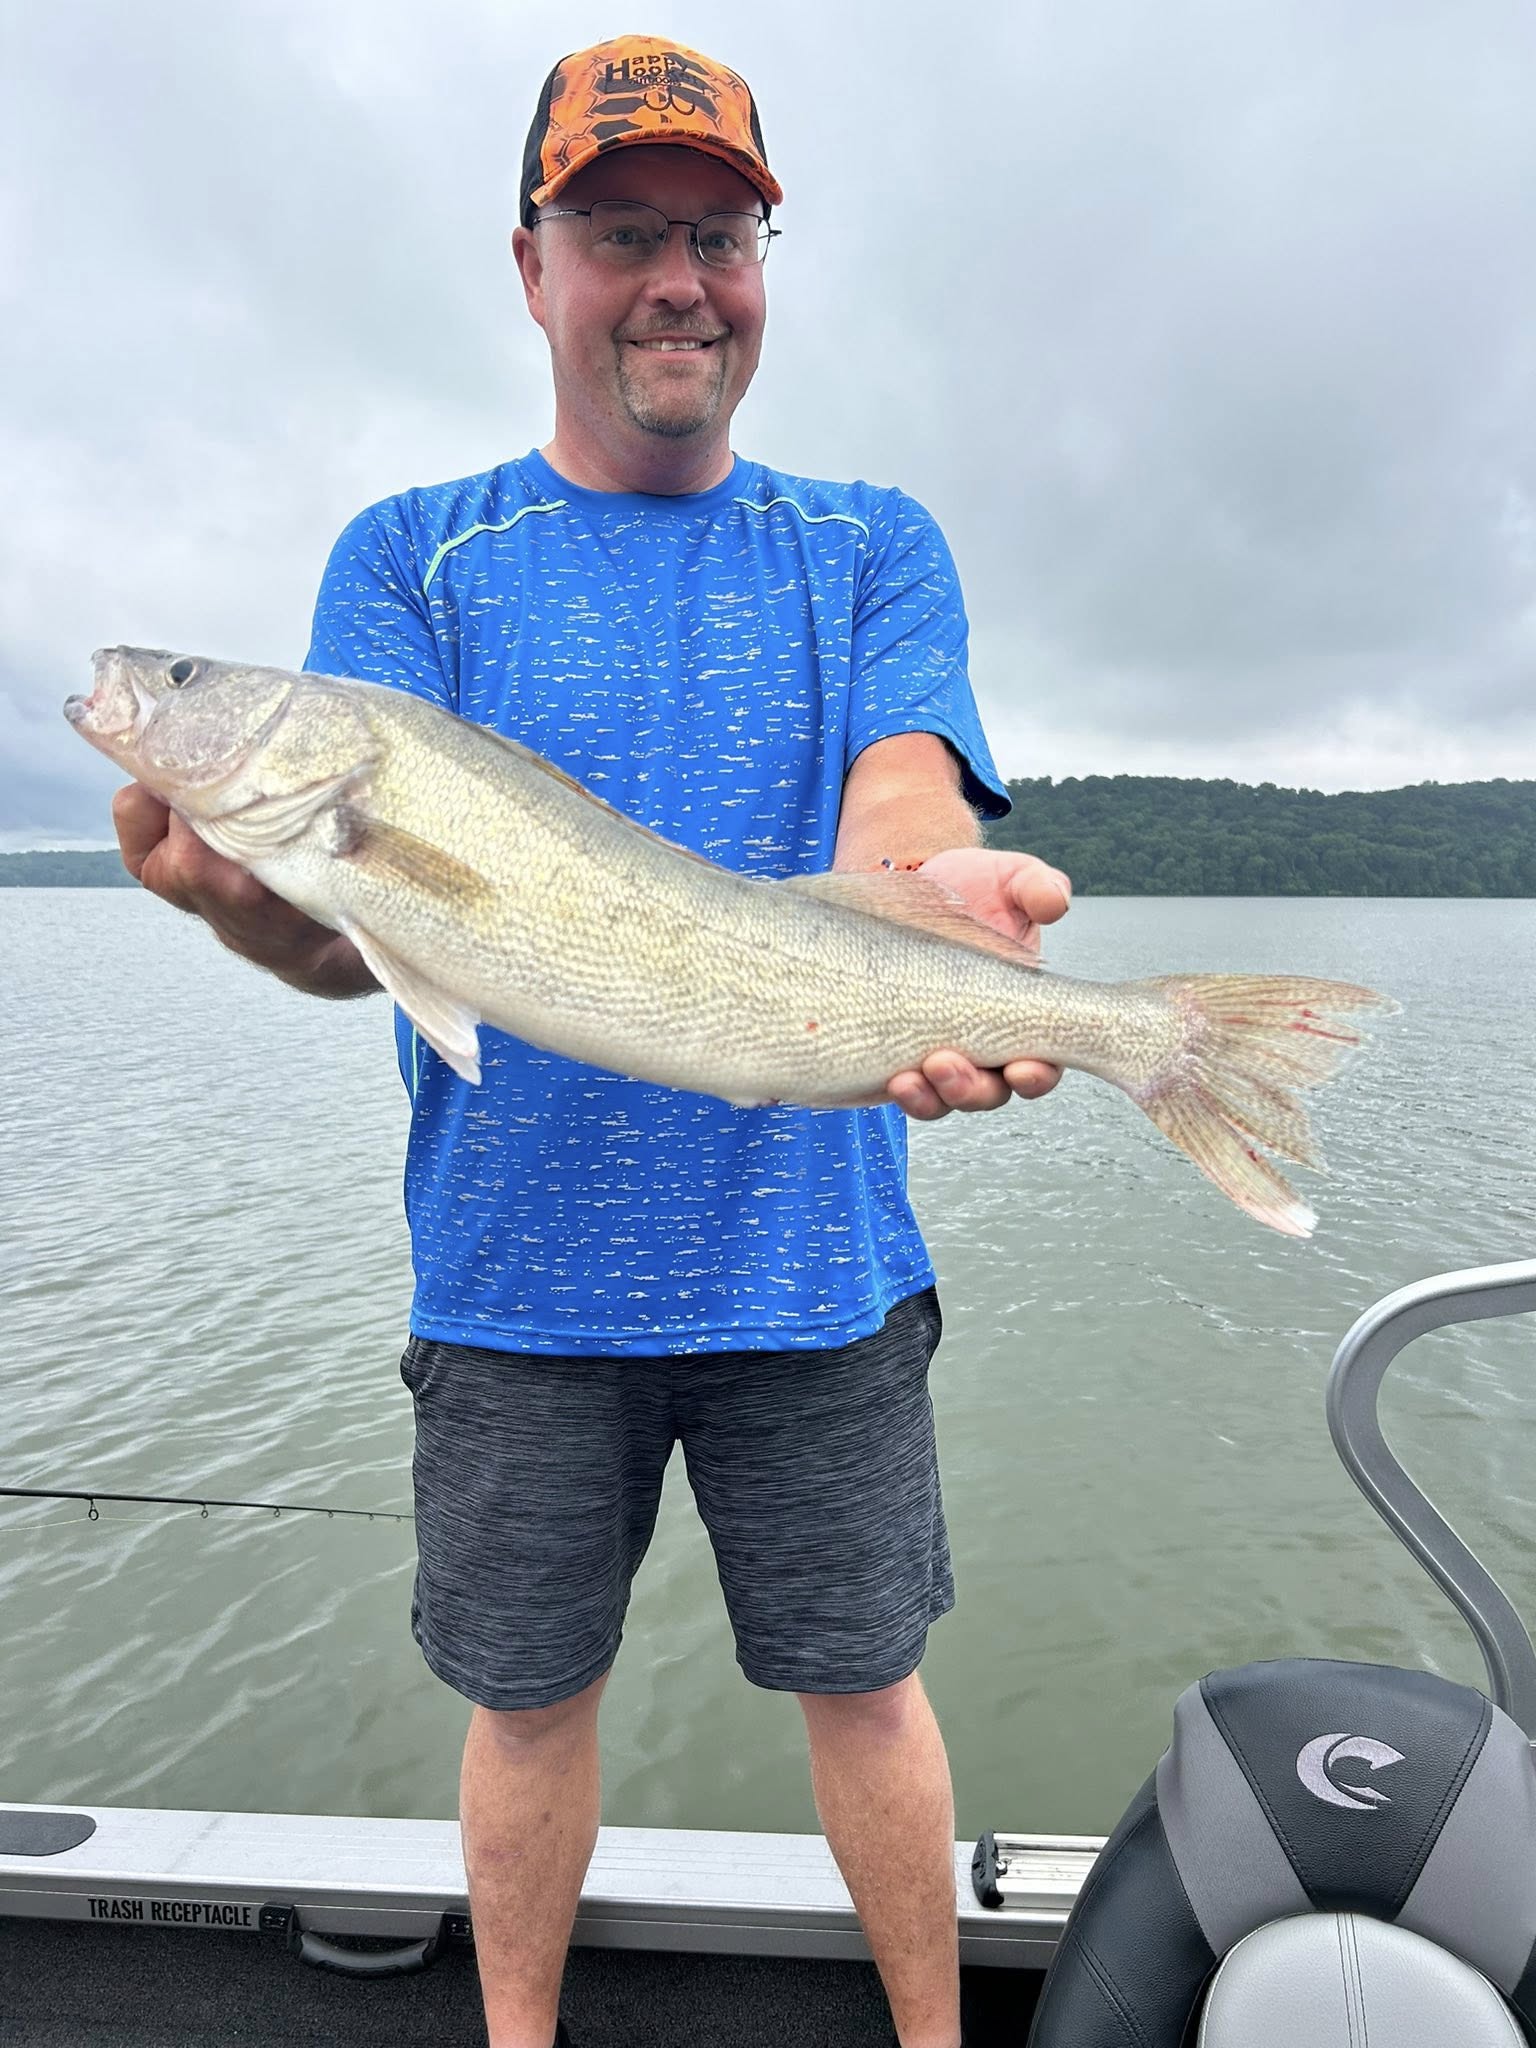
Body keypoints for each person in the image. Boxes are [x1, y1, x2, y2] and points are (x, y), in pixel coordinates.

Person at [111, 36, 1071, 2048]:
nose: (679, 278)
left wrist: (947, 911)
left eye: (719, 234)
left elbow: (905, 802)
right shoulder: (408, 563)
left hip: (818, 1267)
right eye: (626, 230)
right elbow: (355, 954)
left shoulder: (869, 543)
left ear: (761, 266)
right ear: (532, 265)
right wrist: (241, 900)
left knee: (869, 1685)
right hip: (513, 1288)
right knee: (524, 1703)